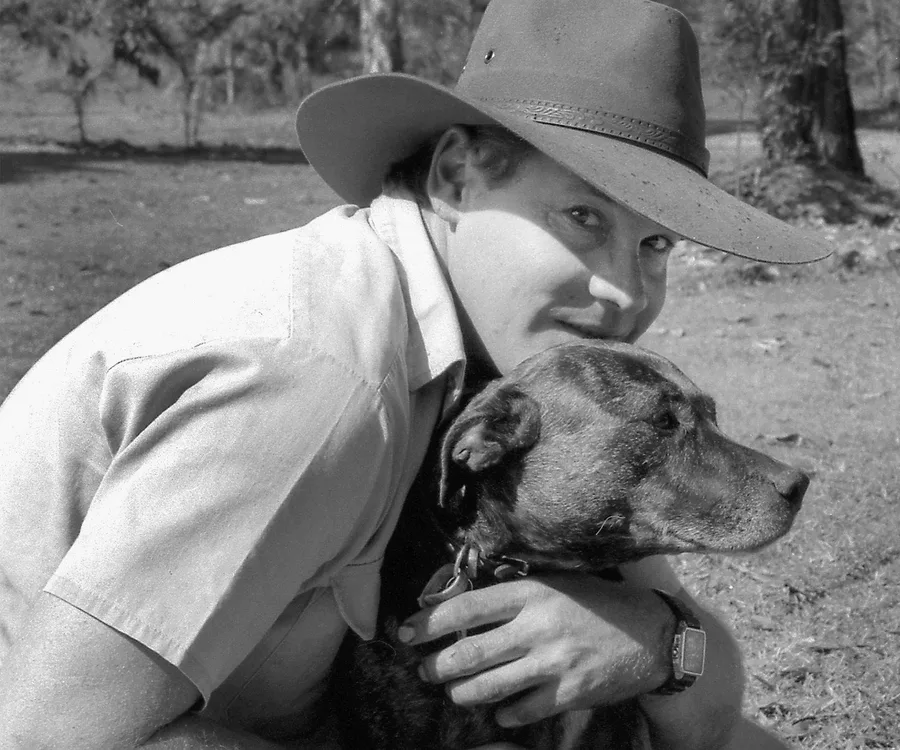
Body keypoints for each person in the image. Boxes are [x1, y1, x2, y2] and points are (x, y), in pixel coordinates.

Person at [0, 1, 826, 748]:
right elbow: (51, 738)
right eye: (583, 218)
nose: (625, 290)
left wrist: (656, 641)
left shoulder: (508, 375)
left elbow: (712, 713)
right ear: (456, 176)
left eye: (653, 245)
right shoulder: (318, 377)